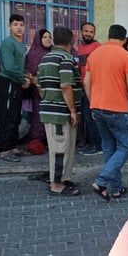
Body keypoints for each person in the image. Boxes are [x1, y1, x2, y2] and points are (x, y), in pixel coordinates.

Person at [83, 24, 128, 201]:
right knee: (125, 146)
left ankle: (116, 189)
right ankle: (101, 181)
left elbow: (86, 82)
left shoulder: (94, 54)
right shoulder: (126, 56)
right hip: (117, 109)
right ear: (124, 40)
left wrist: (93, 102)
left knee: (109, 147)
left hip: (97, 108)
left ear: (108, 36)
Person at [37, 26, 82, 197]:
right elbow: (65, 86)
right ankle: (56, 184)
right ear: (71, 41)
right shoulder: (65, 58)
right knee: (60, 148)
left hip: (50, 109)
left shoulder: (45, 59)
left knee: (62, 147)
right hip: (60, 113)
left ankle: (62, 178)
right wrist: (72, 110)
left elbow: (39, 85)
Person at [0, 14, 34, 163]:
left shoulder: (21, 45)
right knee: (7, 116)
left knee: (15, 116)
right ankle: (4, 150)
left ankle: (12, 146)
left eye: (21, 24)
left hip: (17, 82)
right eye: (15, 24)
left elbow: (18, 66)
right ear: (9, 26)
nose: (19, 27)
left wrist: (26, 75)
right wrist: (22, 79)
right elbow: (9, 67)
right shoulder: (8, 43)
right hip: (8, 82)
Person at [76, 21, 103, 156]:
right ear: (81, 32)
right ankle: (92, 143)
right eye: (86, 31)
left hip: (94, 87)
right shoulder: (79, 47)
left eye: (91, 32)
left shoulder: (97, 47)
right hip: (83, 86)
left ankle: (97, 146)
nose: (88, 34)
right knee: (87, 117)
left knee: (92, 117)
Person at [24, 29, 52, 144]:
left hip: (50, 89)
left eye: (49, 37)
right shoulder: (33, 53)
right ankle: (37, 140)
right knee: (37, 115)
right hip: (36, 90)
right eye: (44, 37)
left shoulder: (53, 52)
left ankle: (48, 140)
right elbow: (28, 70)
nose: (48, 39)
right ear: (38, 40)